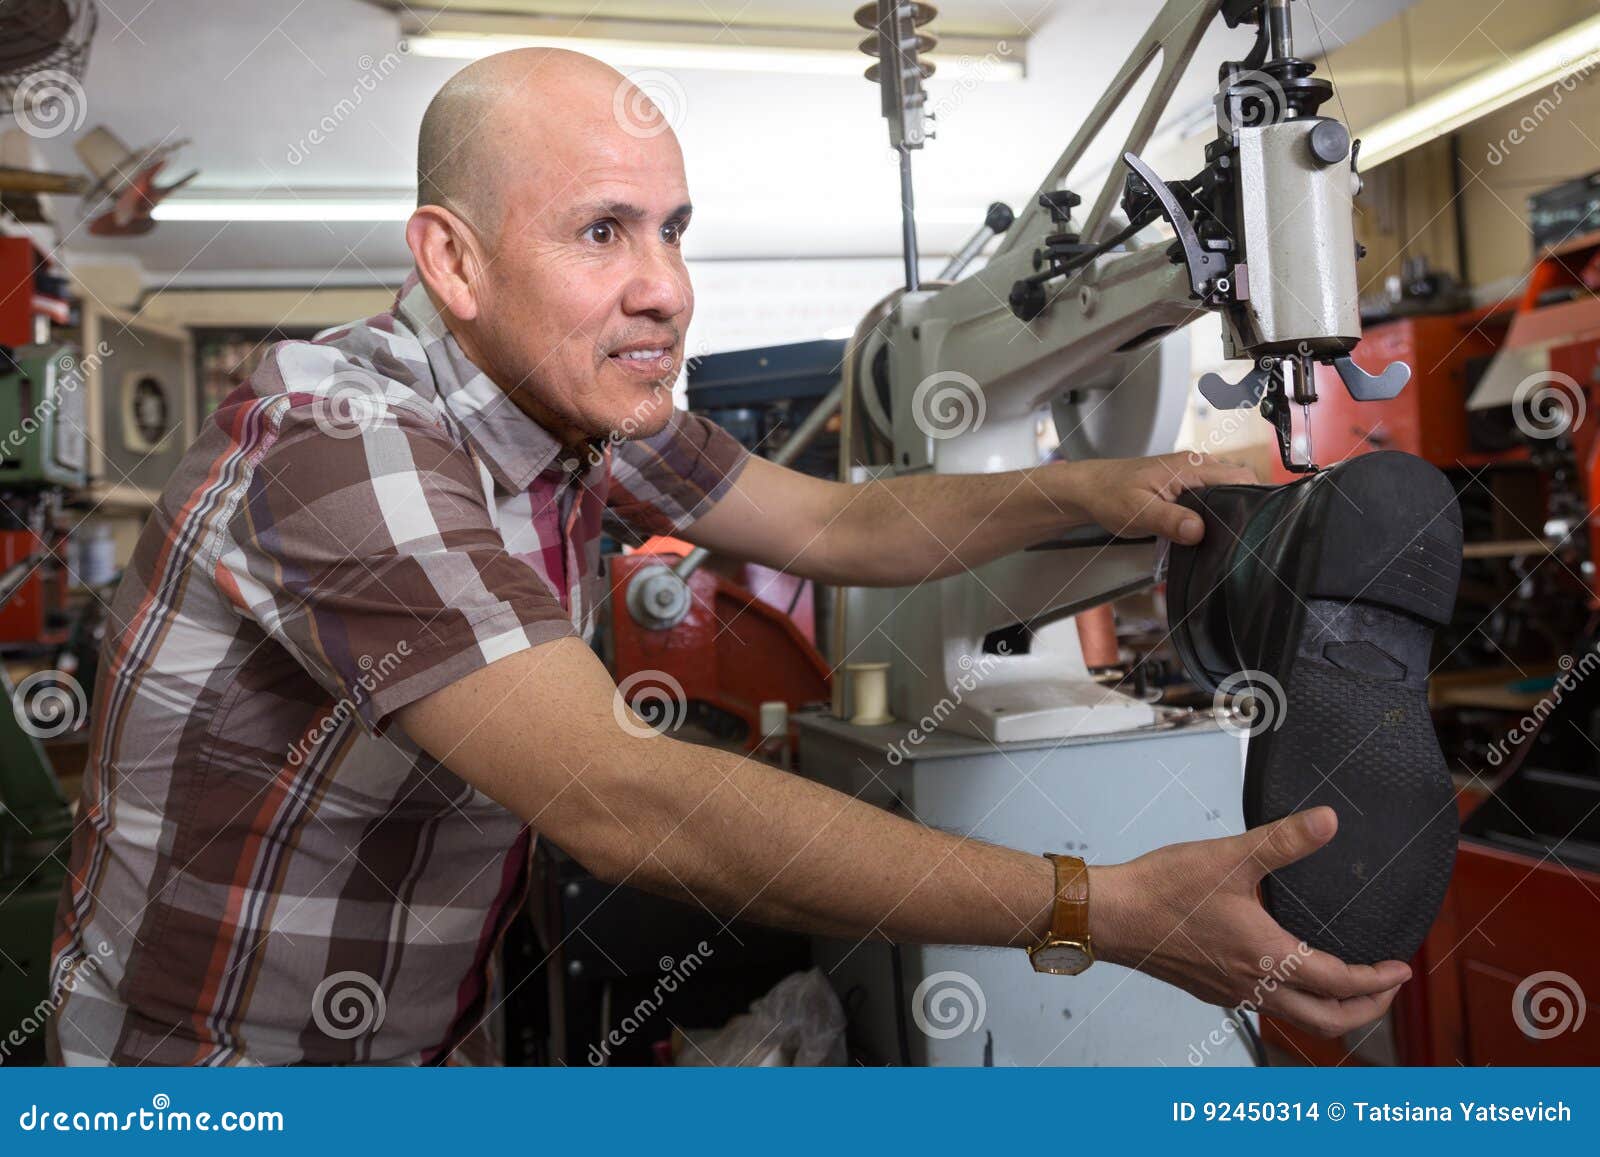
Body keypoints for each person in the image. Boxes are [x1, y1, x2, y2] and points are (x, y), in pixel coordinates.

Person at [48, 49, 1409, 1066]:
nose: (665, 286)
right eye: (602, 232)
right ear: (452, 264)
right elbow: (622, 797)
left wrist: (1115, 482)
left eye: (673, 229)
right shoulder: (345, 444)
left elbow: (830, 525)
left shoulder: (581, 399)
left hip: (423, 1035)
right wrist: (1101, 908)